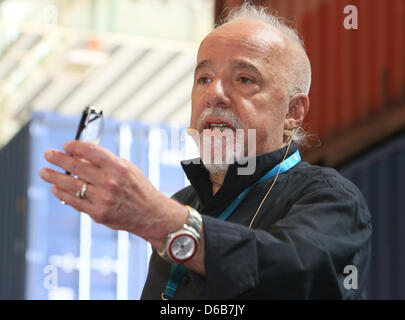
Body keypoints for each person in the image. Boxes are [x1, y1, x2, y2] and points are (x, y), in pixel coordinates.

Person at [40, 3, 372, 299]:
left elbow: (295, 274)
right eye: (204, 78)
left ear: (293, 112)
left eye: (243, 79)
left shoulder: (332, 198)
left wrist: (162, 221)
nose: (214, 94)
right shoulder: (184, 202)